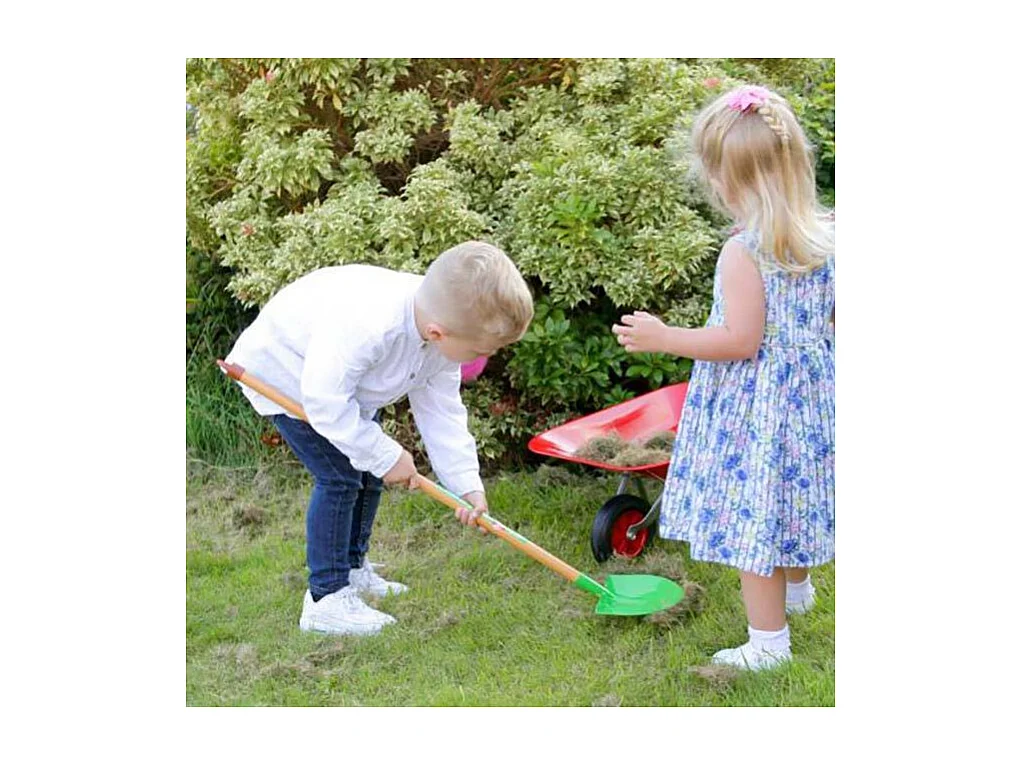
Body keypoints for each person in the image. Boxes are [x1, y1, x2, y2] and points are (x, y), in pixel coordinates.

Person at [612, 85, 835, 670]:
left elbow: (740, 341)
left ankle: (768, 646)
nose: (712, 183)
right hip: (809, 402)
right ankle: (798, 591)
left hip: (755, 406)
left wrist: (666, 337)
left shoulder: (744, 252)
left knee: (753, 517)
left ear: (733, 181)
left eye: (715, 173)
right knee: (790, 497)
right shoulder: (829, 235)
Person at [225, 241, 534, 636]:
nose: (483, 360)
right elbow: (324, 401)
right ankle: (326, 599)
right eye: (479, 351)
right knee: (340, 477)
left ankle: (353, 570)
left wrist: (466, 486)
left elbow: (442, 415)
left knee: (369, 470)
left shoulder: (441, 336)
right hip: (288, 380)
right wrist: (384, 454)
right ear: (439, 332)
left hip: (341, 390)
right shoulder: (370, 324)